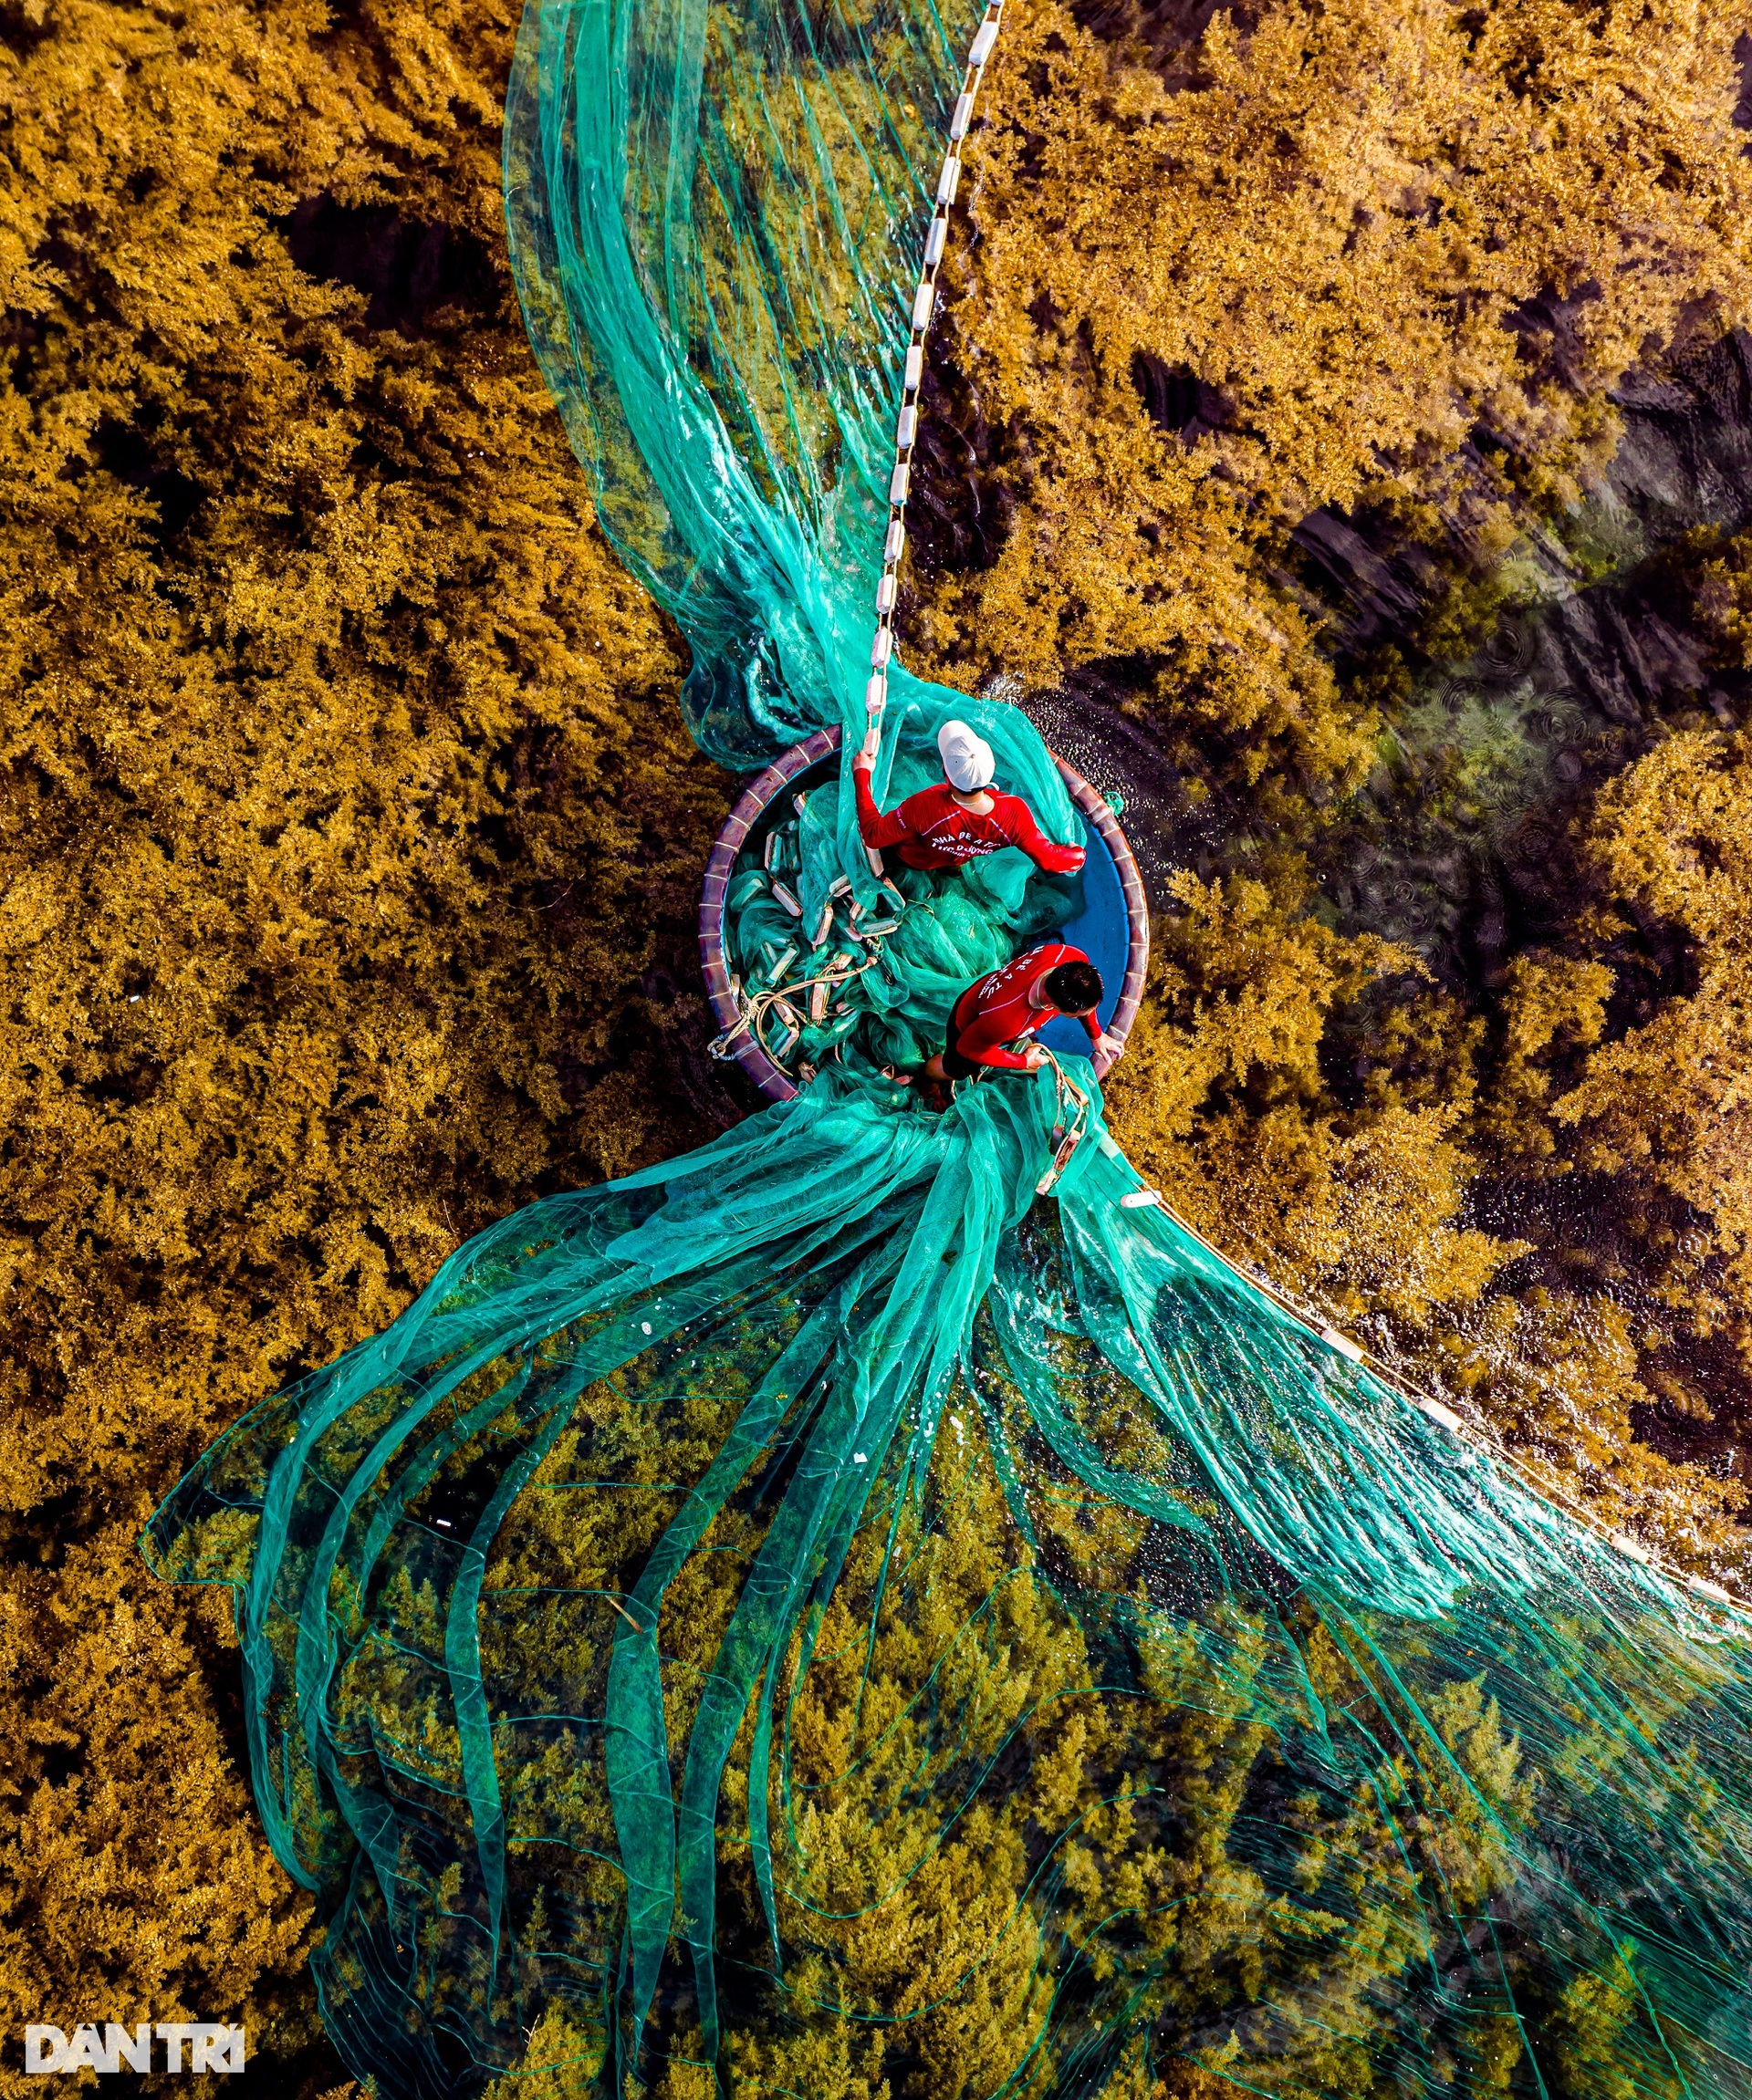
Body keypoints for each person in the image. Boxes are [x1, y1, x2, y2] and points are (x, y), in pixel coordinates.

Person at [853, 718, 1086, 874]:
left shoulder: (926, 806)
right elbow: (1050, 859)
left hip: (912, 859)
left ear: (945, 774)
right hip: (954, 860)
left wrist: (862, 774)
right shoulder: (1014, 814)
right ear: (990, 771)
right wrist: (1077, 853)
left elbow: (873, 836)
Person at [920, 943, 1116, 1083]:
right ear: (1053, 1005)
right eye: (1080, 1013)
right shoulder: (1006, 1020)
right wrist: (1023, 1061)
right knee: (953, 1070)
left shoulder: (1069, 957)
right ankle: (928, 1081)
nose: (1089, 1013)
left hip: (990, 1000)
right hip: (967, 1025)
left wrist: (1096, 1035)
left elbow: (1084, 998)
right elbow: (968, 1048)